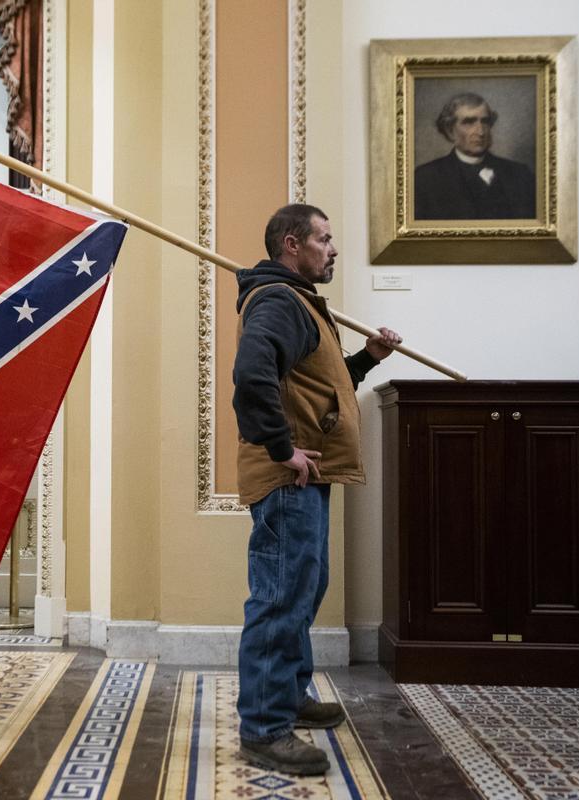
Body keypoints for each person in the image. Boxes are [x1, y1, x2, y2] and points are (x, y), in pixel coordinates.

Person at [232, 203, 400, 775]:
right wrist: (283, 449)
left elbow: (322, 390)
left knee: (301, 589)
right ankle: (263, 727)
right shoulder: (279, 300)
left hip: (306, 475)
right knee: (280, 597)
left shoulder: (298, 302)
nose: (333, 249)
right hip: (288, 477)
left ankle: (290, 696)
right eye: (324, 239)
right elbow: (252, 375)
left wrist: (367, 359)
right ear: (291, 245)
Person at [414, 92, 536, 220]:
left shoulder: (521, 174)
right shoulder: (425, 178)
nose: (481, 131)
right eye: (469, 122)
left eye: (485, 122)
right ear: (450, 131)